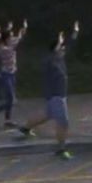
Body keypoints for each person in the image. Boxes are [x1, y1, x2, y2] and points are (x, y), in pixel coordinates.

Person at [19, 21, 80, 159]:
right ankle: (61, 149)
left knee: (47, 115)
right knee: (63, 122)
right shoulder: (50, 60)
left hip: (59, 95)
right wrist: (59, 42)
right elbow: (58, 50)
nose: (64, 49)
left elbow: (70, 46)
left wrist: (75, 32)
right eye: (61, 47)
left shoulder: (59, 58)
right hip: (56, 96)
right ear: (55, 50)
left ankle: (25, 128)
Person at [0, 20, 27, 126]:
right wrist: (18, 34)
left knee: (10, 99)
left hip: (12, 73)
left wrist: (23, 29)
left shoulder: (9, 42)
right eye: (10, 37)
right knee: (11, 99)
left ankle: (2, 117)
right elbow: (14, 44)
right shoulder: (3, 48)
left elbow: (19, 37)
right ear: (6, 39)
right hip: (5, 75)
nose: (12, 39)